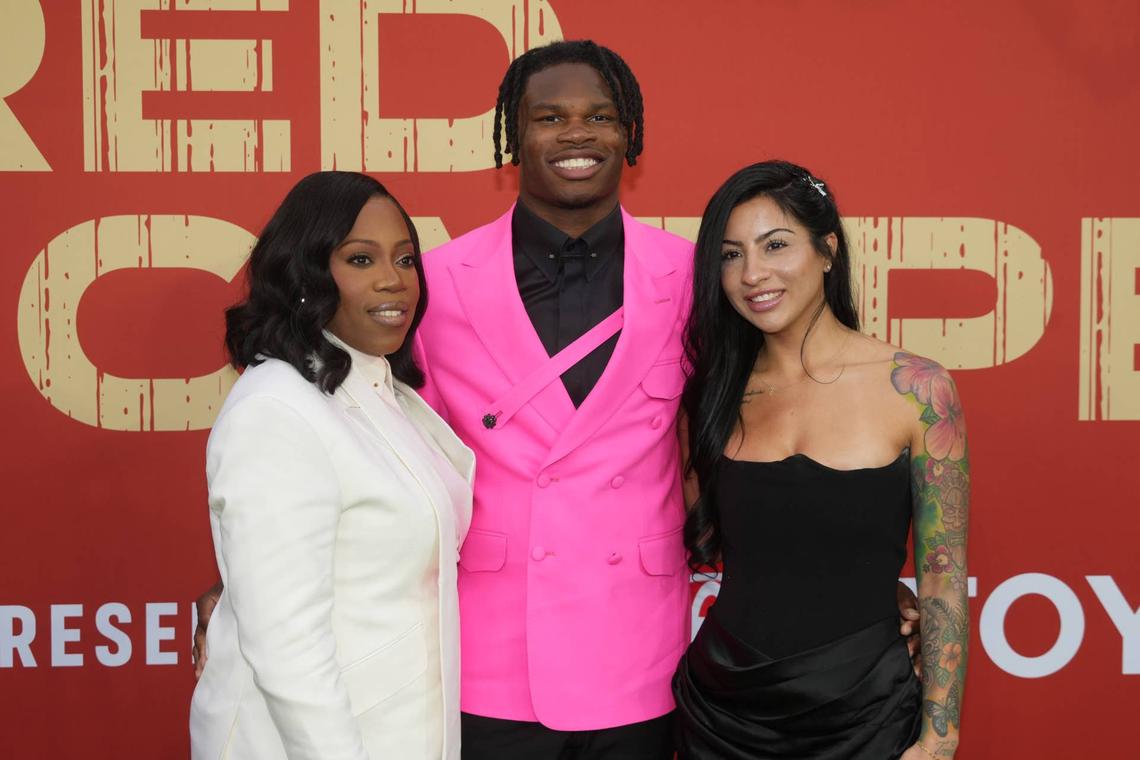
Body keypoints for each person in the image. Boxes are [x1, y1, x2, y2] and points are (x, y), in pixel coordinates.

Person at [195, 41, 921, 760]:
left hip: (636, 651)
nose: (576, 133)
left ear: (629, 135)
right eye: (548, 117)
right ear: (513, 139)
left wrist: (843, 584)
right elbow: (363, 425)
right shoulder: (430, 281)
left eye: (600, 116)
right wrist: (244, 581)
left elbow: (764, 415)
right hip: (486, 655)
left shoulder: (695, 275)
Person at [671, 160, 969, 759]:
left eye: (774, 245)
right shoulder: (709, 394)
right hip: (725, 712)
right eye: (730, 256)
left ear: (828, 250)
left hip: (866, 716)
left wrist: (940, 734)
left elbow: (944, 578)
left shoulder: (917, 388)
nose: (753, 274)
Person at [189, 171, 474, 760]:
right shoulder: (277, 409)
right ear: (306, 275)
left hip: (401, 732)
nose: (394, 280)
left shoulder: (373, 389)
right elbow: (287, 645)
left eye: (405, 259)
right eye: (361, 259)